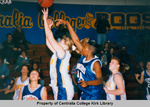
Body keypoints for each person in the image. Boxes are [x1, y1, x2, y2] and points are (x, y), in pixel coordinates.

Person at [55, 19, 106, 100]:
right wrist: (67, 23)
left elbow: (100, 80)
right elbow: (76, 40)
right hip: (84, 93)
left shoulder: (95, 63)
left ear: (88, 50)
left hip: (95, 95)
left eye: (85, 46)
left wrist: (87, 83)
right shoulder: (83, 57)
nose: (82, 47)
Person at [42, 8, 74, 100]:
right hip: (58, 87)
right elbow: (48, 43)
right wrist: (49, 27)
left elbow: (49, 36)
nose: (58, 42)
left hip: (63, 88)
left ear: (66, 46)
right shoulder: (59, 53)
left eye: (61, 42)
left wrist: (45, 19)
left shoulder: (62, 52)